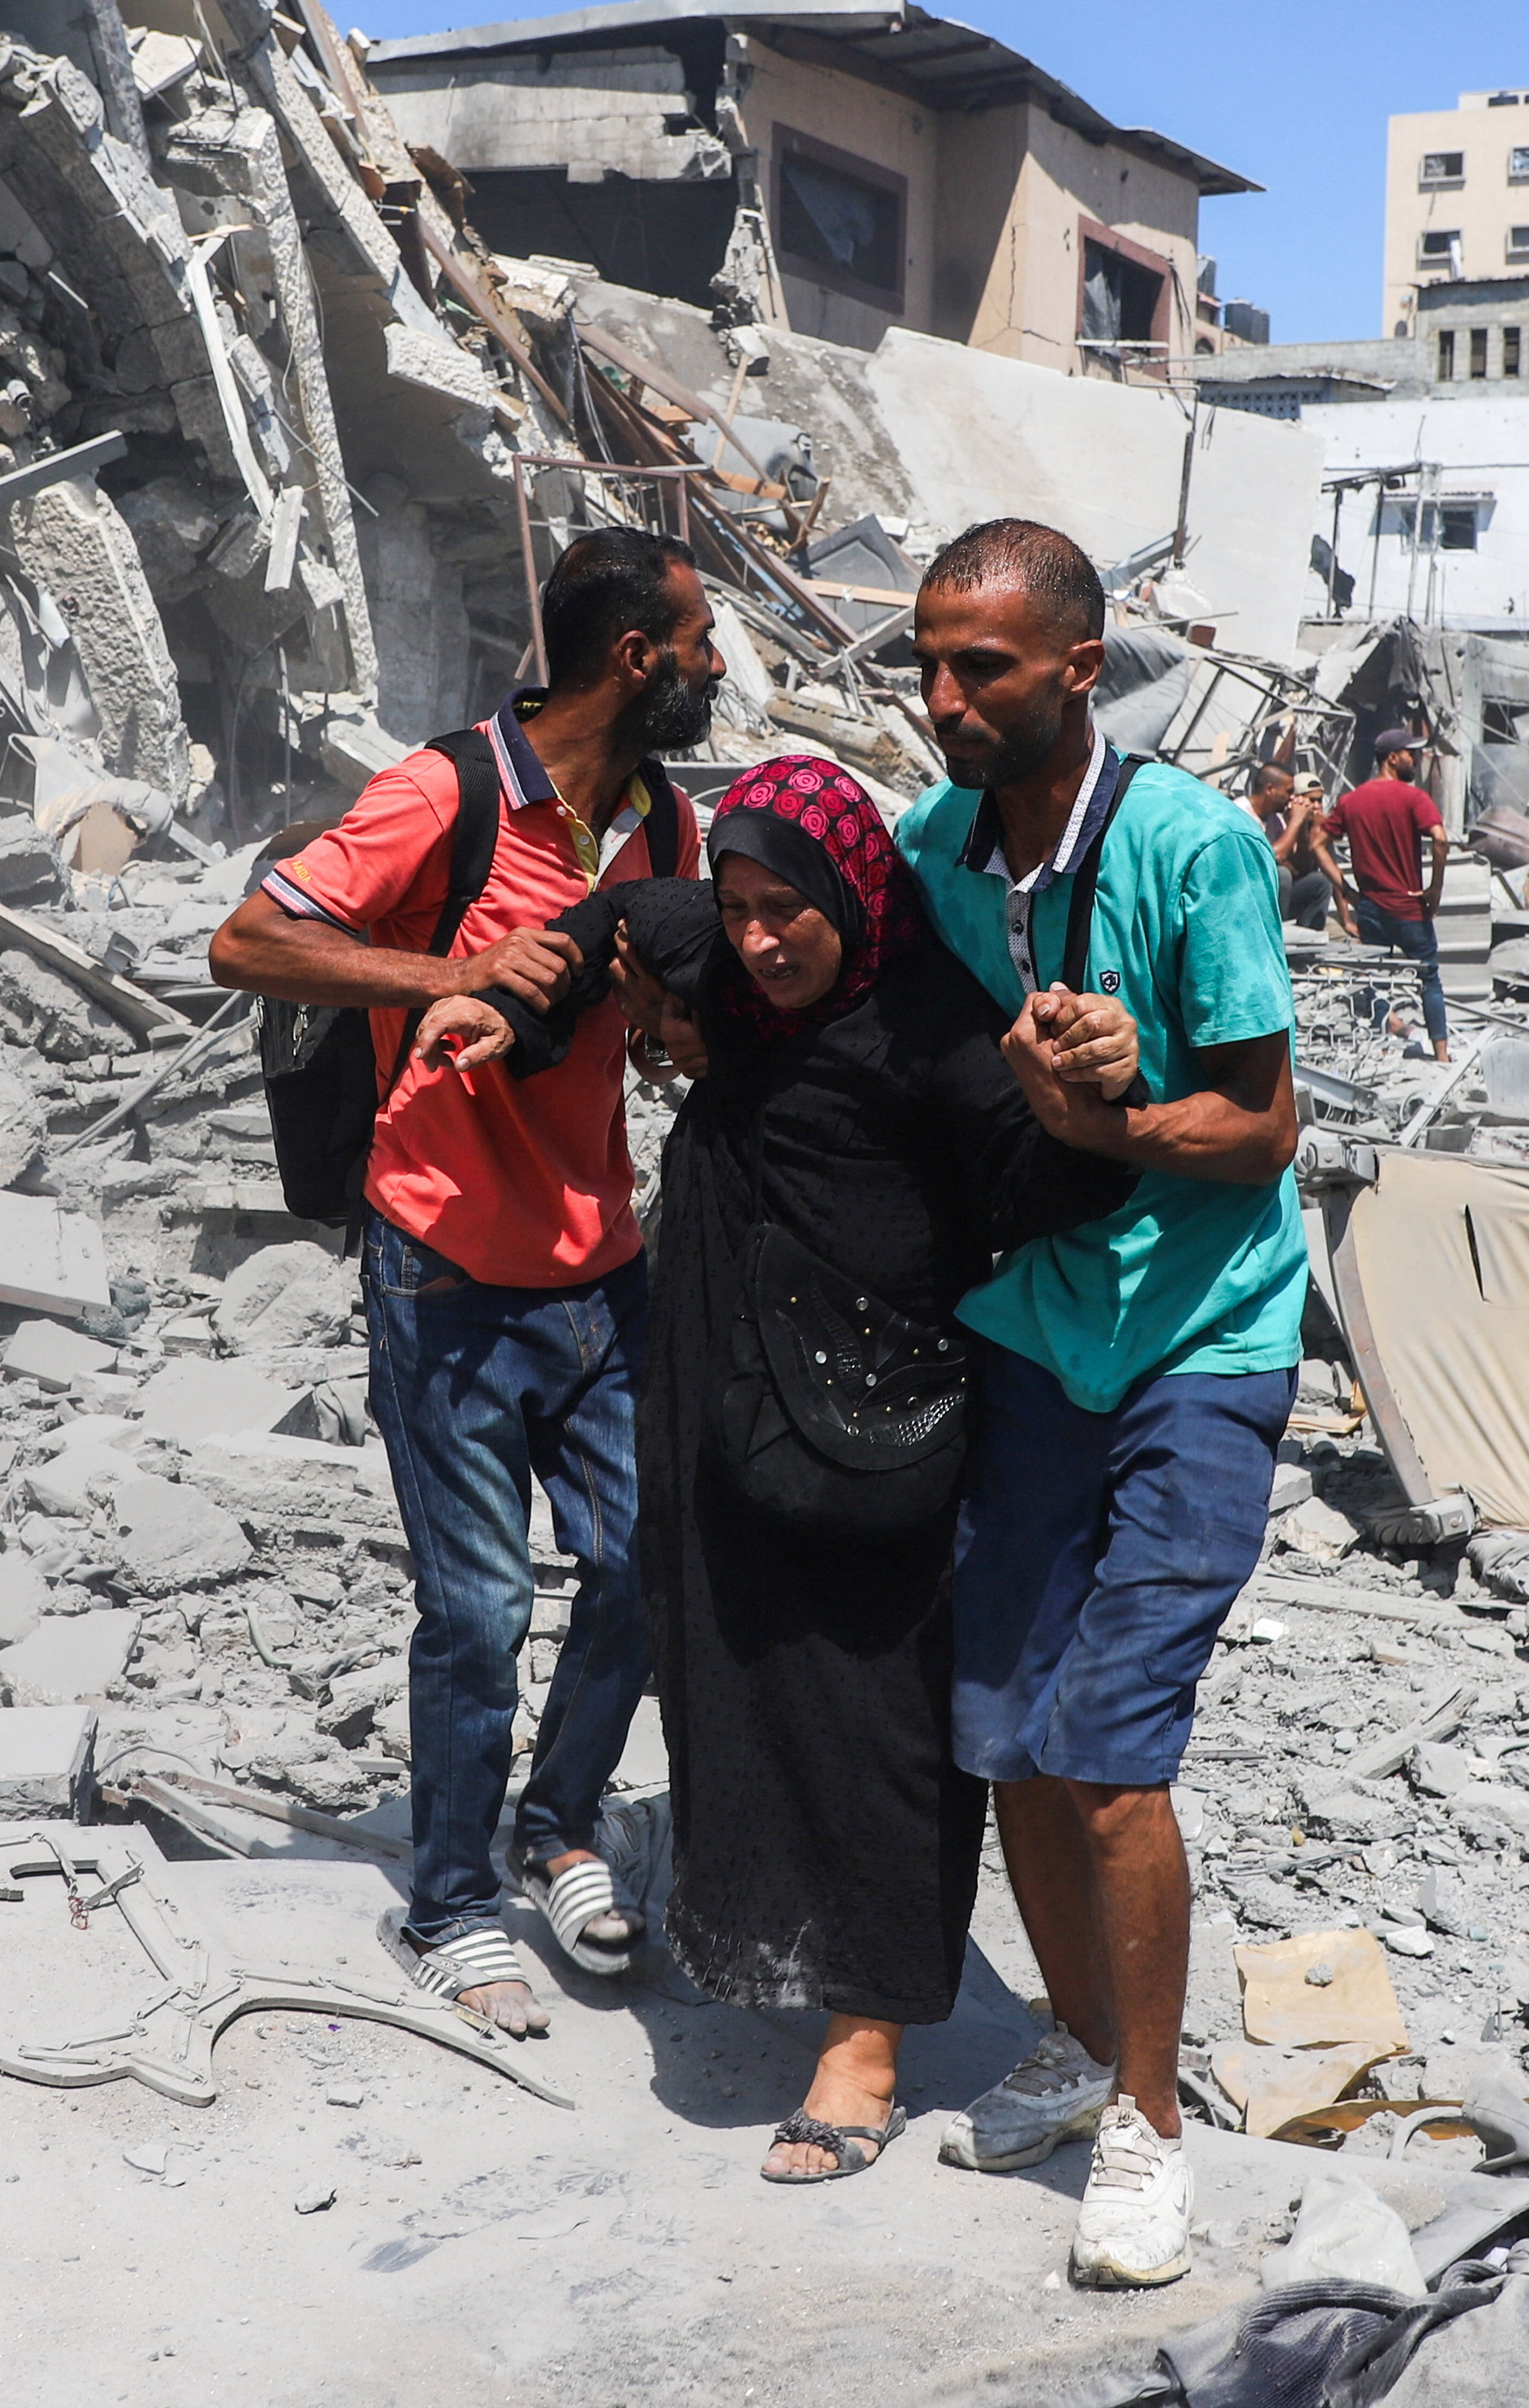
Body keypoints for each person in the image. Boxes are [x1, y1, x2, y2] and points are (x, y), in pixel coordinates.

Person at [413, 755, 1142, 2188]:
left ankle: (862, 2044)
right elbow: (622, 919)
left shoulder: (934, 1028)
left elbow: (1079, 1172)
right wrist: (514, 1000)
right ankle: (759, 1955)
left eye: (788, 907)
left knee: (873, 1730)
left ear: (851, 893)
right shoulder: (725, 968)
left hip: (875, 1431)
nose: (757, 938)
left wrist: (1097, 1080)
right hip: (718, 1408)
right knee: (737, 1700)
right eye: (742, 906)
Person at [207, 528, 710, 2036]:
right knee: (478, 1609)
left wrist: (669, 1030)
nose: (713, 664)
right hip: (442, 1270)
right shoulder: (443, 793)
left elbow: (660, 1035)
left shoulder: (662, 829)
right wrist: (442, 978)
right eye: (695, 639)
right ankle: (444, 1906)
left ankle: (554, 1824)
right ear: (632, 657)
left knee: (641, 1570)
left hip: (602, 1269)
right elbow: (247, 939)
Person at [897, 518, 1305, 2291]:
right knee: (1006, 1731)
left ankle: (1148, 2118)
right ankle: (1072, 2031)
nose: (941, 698)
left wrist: (1108, 1121)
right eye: (923, 660)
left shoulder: (1192, 846)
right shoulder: (931, 848)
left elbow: (1265, 1125)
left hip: (1200, 1335)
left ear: (1079, 667)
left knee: (1113, 1739)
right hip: (1030, 1330)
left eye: (979, 664)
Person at [1330, 728, 1453, 1060]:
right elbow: (1440, 840)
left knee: (1376, 978)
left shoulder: (1351, 800)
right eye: (1410, 754)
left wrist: (1344, 889)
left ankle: (1380, 1049)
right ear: (1392, 758)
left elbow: (1317, 841)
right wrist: (1435, 890)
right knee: (1429, 978)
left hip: (1371, 908)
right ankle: (1442, 1055)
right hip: (1408, 907)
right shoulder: (1414, 798)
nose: (1415, 760)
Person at [1242, 762, 1335, 930]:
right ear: (1270, 789)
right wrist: (1296, 820)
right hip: (1245, 895)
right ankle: (1279, 938)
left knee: (1319, 882)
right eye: (1289, 792)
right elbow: (1275, 857)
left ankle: (1308, 940)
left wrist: (1304, 829)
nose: (1292, 797)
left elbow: (1303, 867)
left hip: (1268, 892)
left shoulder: (1274, 819)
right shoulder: (1241, 813)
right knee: (1282, 875)